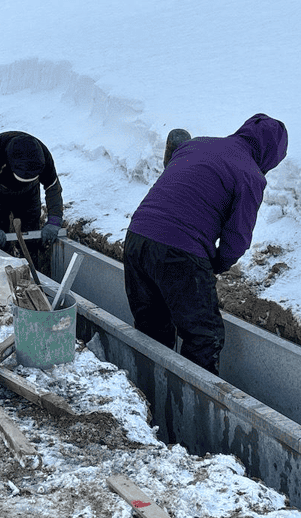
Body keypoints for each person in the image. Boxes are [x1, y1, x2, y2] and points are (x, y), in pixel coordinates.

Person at [123, 114, 288, 375]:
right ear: (271, 155)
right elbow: (237, 239)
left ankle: (144, 402)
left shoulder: (195, 144)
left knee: (151, 331)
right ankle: (189, 411)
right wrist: (214, 266)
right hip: (180, 250)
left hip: (136, 239)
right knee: (203, 338)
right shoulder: (249, 174)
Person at [0, 132, 64, 254]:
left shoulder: (42, 156)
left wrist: (54, 221)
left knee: (30, 240)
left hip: (28, 196)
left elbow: (52, 187)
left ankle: (30, 265)